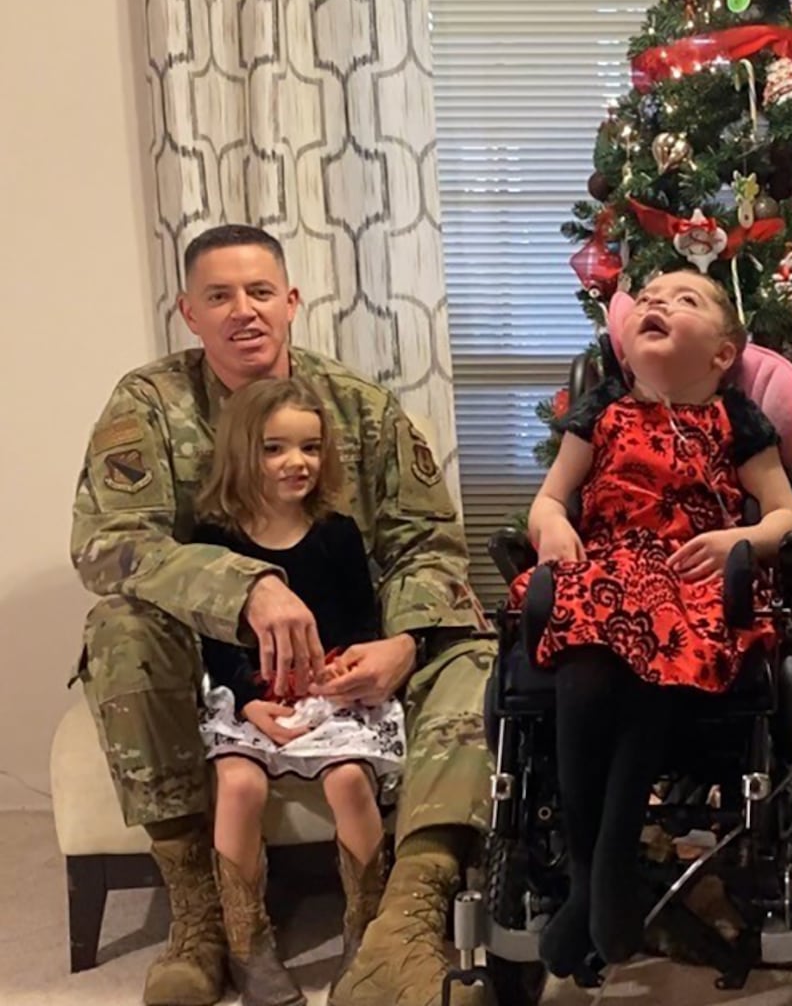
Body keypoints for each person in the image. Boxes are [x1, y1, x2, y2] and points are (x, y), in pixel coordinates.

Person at [71, 225, 494, 1006]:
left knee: (474, 653)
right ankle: (203, 920)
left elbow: (427, 543)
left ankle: (403, 921)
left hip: (347, 648)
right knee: (118, 629)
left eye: (260, 292)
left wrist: (401, 642)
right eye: (219, 296)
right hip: (214, 659)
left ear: (291, 301)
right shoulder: (151, 404)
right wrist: (246, 587)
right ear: (188, 313)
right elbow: (109, 544)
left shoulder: (356, 408)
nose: (244, 312)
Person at [517, 269, 792, 979]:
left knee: (653, 654)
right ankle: (597, 875)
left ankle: (600, 876)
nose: (656, 304)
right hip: (606, 571)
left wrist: (744, 541)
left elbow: (785, 514)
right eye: (646, 297)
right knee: (586, 665)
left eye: (686, 300)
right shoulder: (602, 412)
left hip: (693, 578)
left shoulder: (737, 420)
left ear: (721, 355)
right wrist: (553, 527)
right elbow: (549, 500)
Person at [191, 377, 402, 1006]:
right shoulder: (214, 539)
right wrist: (250, 700)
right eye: (274, 449)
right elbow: (211, 639)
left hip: (327, 694)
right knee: (238, 783)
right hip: (247, 694)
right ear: (239, 453)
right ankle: (247, 944)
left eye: (310, 447)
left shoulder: (336, 532)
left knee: (346, 781)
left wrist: (337, 680)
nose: (297, 463)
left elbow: (362, 624)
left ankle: (364, 932)